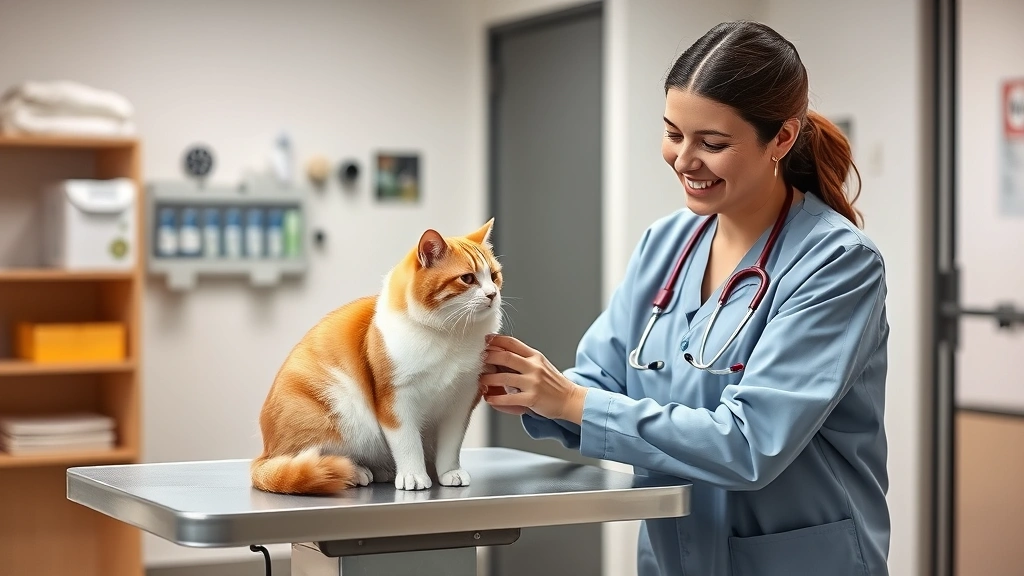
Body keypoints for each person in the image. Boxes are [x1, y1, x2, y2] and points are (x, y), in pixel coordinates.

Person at [478, 20, 890, 576]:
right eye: (673, 133)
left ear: (783, 139)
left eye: (713, 144)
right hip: (676, 558)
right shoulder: (667, 243)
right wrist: (527, 386)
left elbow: (750, 444)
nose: (684, 160)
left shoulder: (836, 262)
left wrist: (571, 402)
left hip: (796, 561)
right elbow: (602, 380)